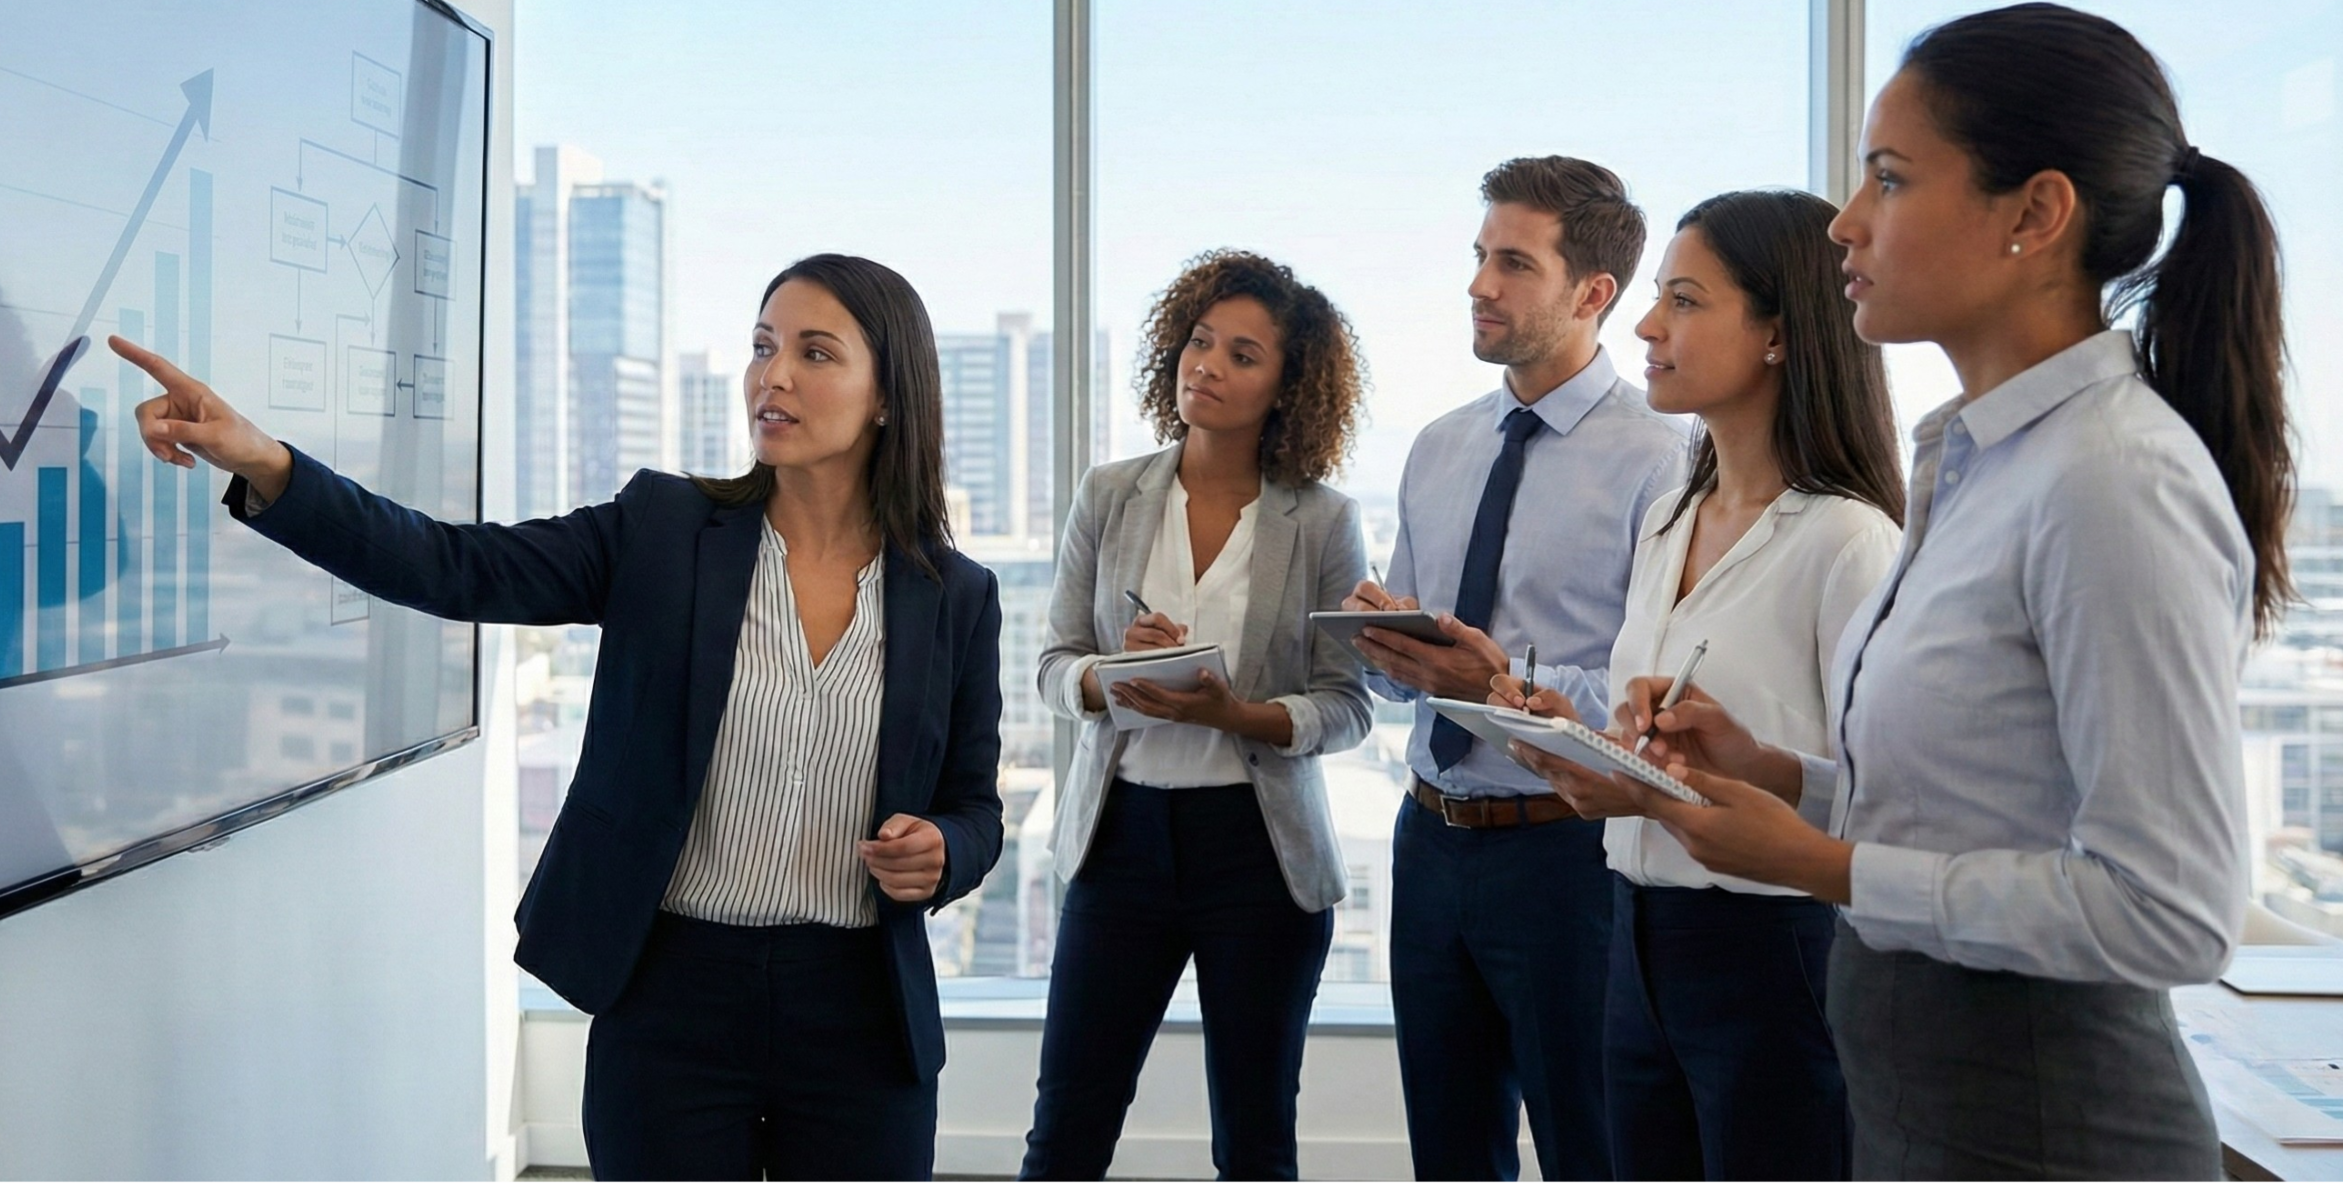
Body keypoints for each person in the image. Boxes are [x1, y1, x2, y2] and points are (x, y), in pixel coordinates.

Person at [112, 253, 1004, 1181]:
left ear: (889, 396)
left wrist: (944, 848)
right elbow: (454, 566)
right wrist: (266, 461)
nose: (772, 376)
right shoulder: (663, 529)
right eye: (762, 345)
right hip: (671, 999)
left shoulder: (958, 598)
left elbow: (977, 808)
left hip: (860, 1012)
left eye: (815, 353)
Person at [1610, 3, 2288, 1179]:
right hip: (1928, 1093)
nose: (1845, 222)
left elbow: (2172, 908)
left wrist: (1825, 866)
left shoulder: (2108, 481)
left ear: (2034, 213)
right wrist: (1784, 780)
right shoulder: (1982, 462)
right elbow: (1974, 812)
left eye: (1888, 179)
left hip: (2042, 1114)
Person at [1493, 189, 1904, 1179]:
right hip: (1632, 935)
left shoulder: (1848, 540)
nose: (1644, 323)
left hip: (1773, 953)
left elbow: (1892, 794)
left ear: (1775, 332)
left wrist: (1749, 772)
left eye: (1683, 300)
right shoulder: (1672, 516)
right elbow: (1668, 737)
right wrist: (1589, 744)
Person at [1342, 156, 1686, 1180]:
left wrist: (1494, 683)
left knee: (1591, 1144)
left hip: (1565, 857)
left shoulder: (1663, 458)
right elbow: (1407, 673)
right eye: (1479, 257)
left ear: (1592, 294)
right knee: (1448, 1152)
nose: (1479, 285)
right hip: (1429, 836)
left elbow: (1651, 699)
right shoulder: (1438, 447)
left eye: (1513, 263)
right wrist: (1381, 648)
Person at [1022, 249, 1373, 1181]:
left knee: (1256, 1142)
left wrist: (1239, 714)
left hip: (1257, 854)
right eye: (1199, 340)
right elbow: (1053, 669)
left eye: (1242, 354)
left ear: (1288, 386)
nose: (1206, 364)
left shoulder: (1323, 522)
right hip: (1121, 840)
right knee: (1067, 1128)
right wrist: (1109, 680)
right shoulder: (1110, 494)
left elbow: (1349, 706)